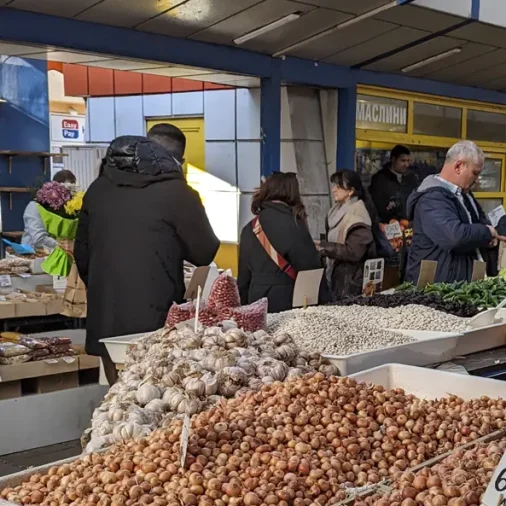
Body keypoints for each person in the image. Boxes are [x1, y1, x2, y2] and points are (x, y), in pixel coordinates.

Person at [74, 134, 218, 382]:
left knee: (117, 398)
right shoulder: (177, 193)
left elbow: (82, 253)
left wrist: (102, 285)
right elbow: (204, 251)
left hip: (107, 309)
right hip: (157, 312)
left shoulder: (97, 190)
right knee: (155, 394)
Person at [405, 141, 497, 285]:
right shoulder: (431, 198)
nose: (476, 180)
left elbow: (481, 220)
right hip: (436, 286)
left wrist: (487, 235)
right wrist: (487, 232)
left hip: (461, 282)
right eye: (475, 173)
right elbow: (454, 237)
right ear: (458, 166)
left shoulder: (464, 194)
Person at [237, 171, 322, 313]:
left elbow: (243, 277)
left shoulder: (249, 228)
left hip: (255, 302)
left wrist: (245, 307)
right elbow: (310, 269)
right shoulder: (295, 225)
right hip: (287, 302)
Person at [317, 169, 376, 301]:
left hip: (350, 282)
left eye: (338, 187)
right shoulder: (335, 211)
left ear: (350, 191)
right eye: (334, 186)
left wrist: (325, 247)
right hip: (336, 276)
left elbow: (355, 252)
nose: (333, 190)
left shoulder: (357, 214)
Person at [22, 169, 76, 252]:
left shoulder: (70, 208)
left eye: (72, 190)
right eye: (65, 191)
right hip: (33, 255)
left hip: (57, 255)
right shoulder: (35, 207)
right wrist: (60, 245)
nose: (68, 195)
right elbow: (39, 239)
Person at [369, 144, 417, 223]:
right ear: (393, 159)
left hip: (408, 224)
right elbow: (375, 206)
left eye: (408, 161)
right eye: (403, 161)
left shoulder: (412, 179)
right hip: (385, 226)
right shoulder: (380, 179)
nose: (406, 165)